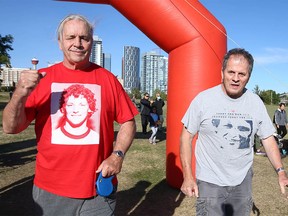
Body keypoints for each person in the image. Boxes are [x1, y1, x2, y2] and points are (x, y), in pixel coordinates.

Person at [2, 14, 138, 216]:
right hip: (51, 192)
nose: (78, 43)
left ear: (91, 42)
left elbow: (128, 121)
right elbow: (10, 128)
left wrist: (117, 155)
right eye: (71, 37)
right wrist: (19, 95)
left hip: (98, 189)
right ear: (60, 43)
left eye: (84, 38)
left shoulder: (108, 79)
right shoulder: (43, 79)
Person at [180, 48, 288, 216]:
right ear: (222, 72)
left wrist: (280, 171)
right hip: (210, 180)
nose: (236, 78)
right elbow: (186, 137)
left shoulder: (255, 102)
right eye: (231, 72)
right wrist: (187, 176)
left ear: (249, 77)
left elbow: (267, 138)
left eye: (242, 74)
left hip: (242, 181)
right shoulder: (203, 100)